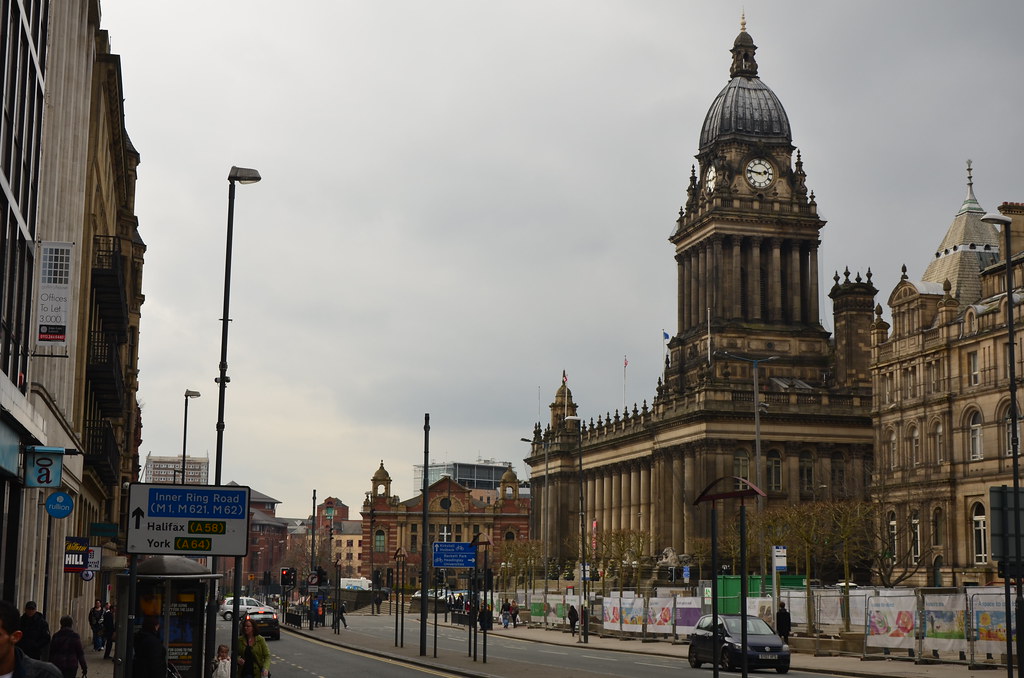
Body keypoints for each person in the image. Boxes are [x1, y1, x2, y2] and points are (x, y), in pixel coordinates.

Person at [0, 601, 60, 678]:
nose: (30, 611)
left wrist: (36, 646)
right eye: (29, 609)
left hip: (34, 652)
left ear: (15, 636)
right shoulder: (22, 621)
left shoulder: (44, 674)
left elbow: (46, 638)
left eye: (32, 609)